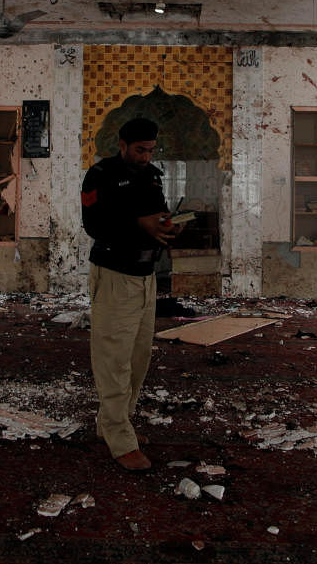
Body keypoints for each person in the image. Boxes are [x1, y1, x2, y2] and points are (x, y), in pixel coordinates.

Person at [80, 117, 180, 470]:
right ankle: (121, 439)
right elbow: (94, 224)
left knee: (138, 359)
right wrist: (140, 223)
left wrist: (167, 225)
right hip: (114, 275)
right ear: (121, 144)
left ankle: (113, 423)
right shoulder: (101, 175)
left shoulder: (152, 176)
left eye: (150, 150)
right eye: (140, 149)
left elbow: (156, 214)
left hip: (145, 275)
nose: (145, 156)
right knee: (114, 360)